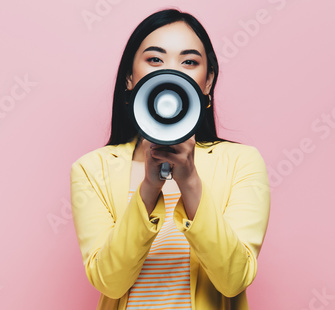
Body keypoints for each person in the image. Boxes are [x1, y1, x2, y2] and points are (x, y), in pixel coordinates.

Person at [69, 8, 271, 310]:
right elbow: (110, 282)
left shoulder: (241, 162)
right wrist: (149, 188)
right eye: (155, 59)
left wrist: (189, 181)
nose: (171, 73)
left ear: (207, 82)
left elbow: (233, 279)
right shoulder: (91, 169)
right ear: (129, 77)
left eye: (189, 62)